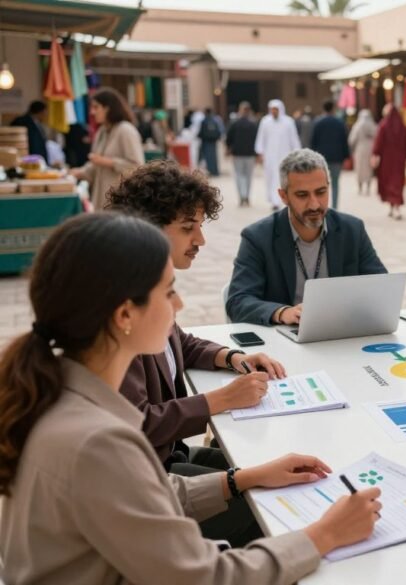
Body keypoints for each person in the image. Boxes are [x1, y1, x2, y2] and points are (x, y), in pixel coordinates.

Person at [0, 212, 381, 584]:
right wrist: (324, 535)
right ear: (125, 315)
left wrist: (243, 478)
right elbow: (204, 575)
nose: (179, 305)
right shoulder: (98, 442)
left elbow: (147, 494)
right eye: (169, 292)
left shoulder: (59, 396)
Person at [106, 161, 285, 546]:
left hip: (168, 457)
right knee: (267, 504)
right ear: (148, 228)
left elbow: (181, 343)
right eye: (189, 228)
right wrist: (222, 399)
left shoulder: (147, 283)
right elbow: (137, 423)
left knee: (273, 467)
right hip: (149, 476)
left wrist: (232, 357)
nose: (200, 239)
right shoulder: (125, 307)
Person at [226, 148, 387, 325]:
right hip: (284, 335)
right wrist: (282, 312)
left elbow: (382, 286)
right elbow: (237, 301)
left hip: (341, 331)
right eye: (302, 195)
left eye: (321, 192)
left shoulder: (352, 230)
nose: (314, 204)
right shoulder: (257, 237)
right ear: (283, 196)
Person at [69, 87, 144, 210]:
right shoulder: (102, 131)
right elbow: (94, 167)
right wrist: (75, 172)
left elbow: (137, 167)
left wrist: (108, 162)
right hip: (101, 200)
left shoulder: (126, 130)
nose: (92, 112)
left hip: (121, 203)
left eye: (96, 107)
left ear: (108, 108)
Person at [255, 99, 302, 210]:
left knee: (284, 178)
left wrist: (297, 153)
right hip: (269, 156)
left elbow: (294, 139)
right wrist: (260, 152)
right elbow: (261, 138)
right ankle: (274, 200)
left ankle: (282, 200)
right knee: (271, 178)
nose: (274, 111)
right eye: (272, 109)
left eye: (276, 109)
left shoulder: (288, 122)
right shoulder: (265, 121)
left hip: (285, 156)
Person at [372, 104, 406, 220]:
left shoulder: (383, 125)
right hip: (399, 161)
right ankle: (394, 207)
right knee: (397, 183)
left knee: (389, 182)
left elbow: (378, 142)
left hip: (387, 161)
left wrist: (375, 155)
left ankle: (395, 208)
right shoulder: (403, 127)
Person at [311, 99, 351, 209]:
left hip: (320, 159)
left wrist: (312, 158)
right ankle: (334, 207)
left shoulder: (318, 123)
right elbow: (344, 141)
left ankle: (322, 206)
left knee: (321, 184)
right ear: (333, 108)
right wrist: (346, 156)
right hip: (337, 158)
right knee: (335, 183)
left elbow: (313, 142)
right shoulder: (339, 123)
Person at [226, 101, 259, 207]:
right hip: (250, 154)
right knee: (248, 176)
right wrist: (257, 153)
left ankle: (242, 196)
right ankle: (246, 196)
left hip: (238, 153)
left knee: (239, 175)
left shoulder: (235, 124)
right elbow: (257, 140)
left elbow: (228, 138)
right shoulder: (253, 124)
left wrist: (228, 148)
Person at [348, 109, 377, 196]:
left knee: (359, 168)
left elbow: (351, 139)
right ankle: (368, 187)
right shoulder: (373, 125)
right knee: (369, 168)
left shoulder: (357, 126)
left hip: (360, 149)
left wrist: (351, 148)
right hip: (370, 150)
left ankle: (360, 187)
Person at [197, 107, 224, 177]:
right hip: (213, 142)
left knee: (208, 157)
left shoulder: (204, 121)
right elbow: (218, 131)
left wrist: (198, 136)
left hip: (206, 142)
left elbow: (201, 132)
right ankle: (215, 171)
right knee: (214, 157)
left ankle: (210, 171)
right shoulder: (215, 121)